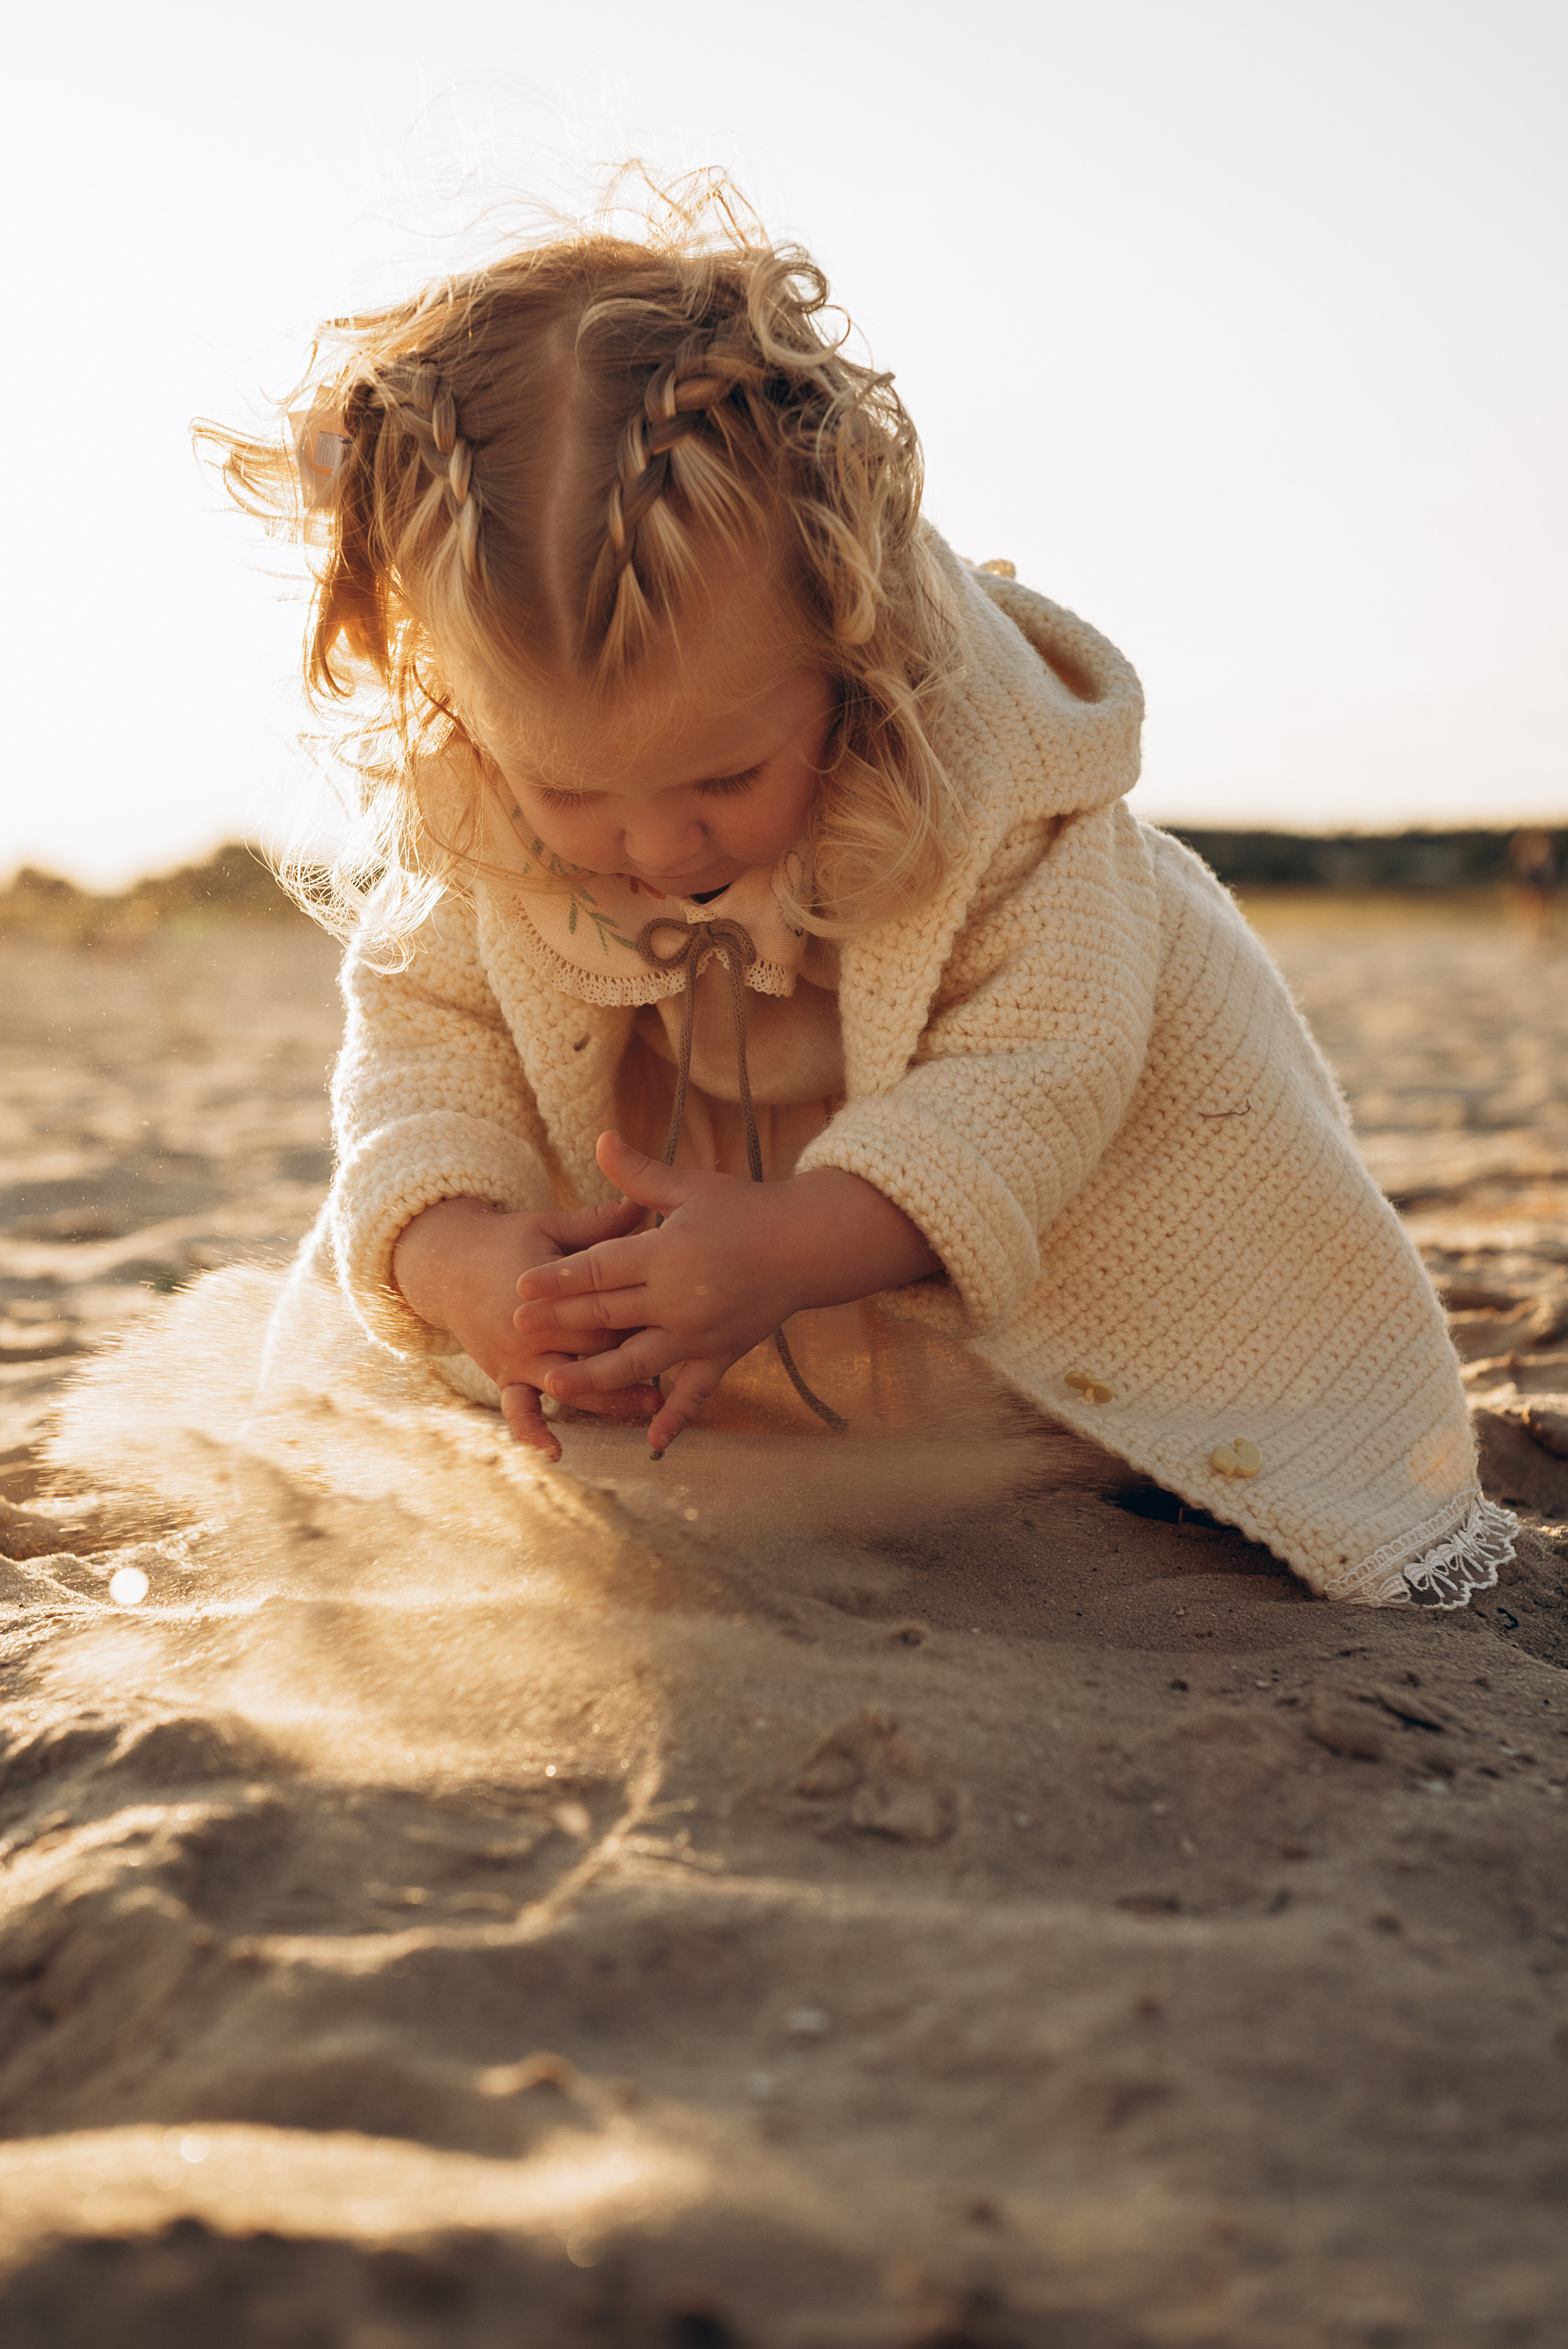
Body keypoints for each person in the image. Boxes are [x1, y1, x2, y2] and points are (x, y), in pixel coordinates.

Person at [206, 179, 1513, 1612]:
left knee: (1113, 1443)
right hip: (682, 1307)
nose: (649, 843)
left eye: (721, 772)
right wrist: (459, 1253)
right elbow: (418, 1048)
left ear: (853, 635)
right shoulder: (477, 824)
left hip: (981, 1276)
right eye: (571, 793)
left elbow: (1039, 1071)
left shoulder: (997, 804)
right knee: (390, 1433)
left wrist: (801, 1240)